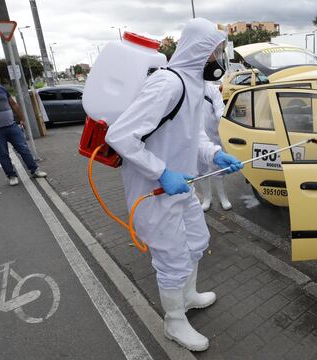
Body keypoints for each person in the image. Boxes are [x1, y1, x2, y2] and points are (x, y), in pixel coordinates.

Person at [105, 18, 242, 352]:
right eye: (216, 52)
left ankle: (189, 296)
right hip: (154, 191)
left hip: (182, 186)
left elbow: (191, 134)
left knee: (196, 241)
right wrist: (162, 172)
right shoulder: (167, 84)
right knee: (171, 258)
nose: (219, 59)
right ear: (200, 50)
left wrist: (214, 154)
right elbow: (120, 135)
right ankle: (174, 322)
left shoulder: (194, 84)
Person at [0, 68, 47, 185]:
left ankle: (35, 170)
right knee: (3, 153)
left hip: (11, 126)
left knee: (23, 148)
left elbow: (14, 104)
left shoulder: (1, 89)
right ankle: (11, 175)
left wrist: (22, 119)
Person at [199, 83, 232, 211]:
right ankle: (207, 198)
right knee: (201, 170)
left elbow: (220, 110)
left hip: (212, 136)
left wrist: (223, 119)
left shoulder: (212, 89)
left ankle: (223, 196)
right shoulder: (186, 88)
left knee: (218, 169)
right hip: (195, 139)